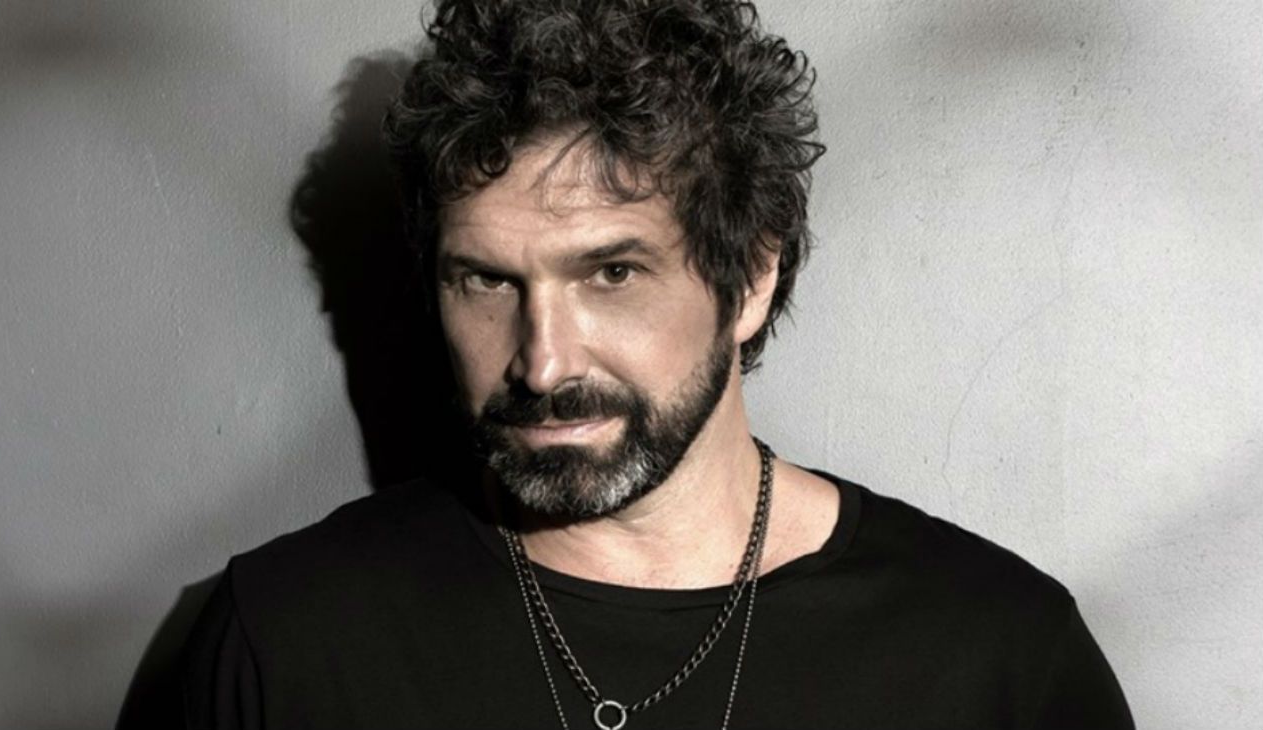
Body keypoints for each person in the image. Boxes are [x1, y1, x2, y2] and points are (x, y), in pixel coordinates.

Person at [183, 1, 1135, 728]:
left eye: (612, 273)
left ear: (749, 277)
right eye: (486, 280)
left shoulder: (997, 657)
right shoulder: (289, 638)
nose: (542, 363)